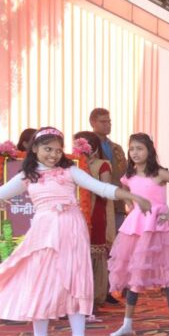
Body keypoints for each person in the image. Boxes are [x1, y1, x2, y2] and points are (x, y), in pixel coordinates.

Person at [0, 128, 150, 336]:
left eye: (58, 150)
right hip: (43, 233)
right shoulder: (27, 175)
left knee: (73, 283)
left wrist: (131, 196)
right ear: (35, 149)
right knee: (39, 284)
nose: (53, 154)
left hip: (70, 230)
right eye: (48, 149)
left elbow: (100, 187)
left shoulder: (70, 170)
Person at [107, 133, 169, 336]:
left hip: (161, 227)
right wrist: (131, 206)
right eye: (132, 149)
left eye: (140, 148)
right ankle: (127, 323)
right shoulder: (128, 175)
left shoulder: (160, 173)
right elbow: (125, 190)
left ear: (149, 150)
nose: (135, 153)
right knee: (134, 274)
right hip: (137, 226)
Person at [72, 131, 116, 311]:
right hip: (75, 211)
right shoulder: (71, 164)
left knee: (95, 252)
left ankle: (96, 296)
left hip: (96, 211)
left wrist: (86, 177)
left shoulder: (102, 165)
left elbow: (105, 190)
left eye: (80, 144)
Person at [89, 108, 128, 230]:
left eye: (109, 122)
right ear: (92, 123)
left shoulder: (117, 148)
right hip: (96, 202)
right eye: (103, 122)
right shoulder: (87, 146)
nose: (107, 125)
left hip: (118, 201)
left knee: (118, 238)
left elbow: (125, 173)